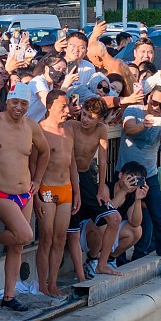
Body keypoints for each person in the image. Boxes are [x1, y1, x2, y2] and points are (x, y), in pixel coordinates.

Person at [0, 82, 50, 311]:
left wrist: (37, 180)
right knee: (24, 234)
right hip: (1, 192)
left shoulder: (31, 126)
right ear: (7, 101)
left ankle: (9, 296)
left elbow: (45, 151)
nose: (19, 107)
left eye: (23, 104)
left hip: (25, 194)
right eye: (15, 102)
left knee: (18, 245)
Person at [119, 86, 161, 277]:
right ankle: (115, 259)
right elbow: (128, 129)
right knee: (117, 215)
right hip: (124, 172)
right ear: (148, 99)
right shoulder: (133, 111)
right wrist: (145, 124)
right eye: (154, 103)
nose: (156, 108)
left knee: (159, 217)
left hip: (149, 174)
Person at [68, 96, 122, 278]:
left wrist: (101, 188)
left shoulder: (102, 130)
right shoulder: (72, 126)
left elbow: (104, 159)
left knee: (114, 219)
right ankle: (79, 274)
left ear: (99, 119)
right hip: (66, 177)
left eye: (90, 117)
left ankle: (102, 263)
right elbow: (69, 159)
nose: (85, 119)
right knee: (71, 232)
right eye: (83, 114)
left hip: (86, 177)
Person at [36, 90, 80, 293]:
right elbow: (32, 165)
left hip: (66, 190)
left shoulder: (68, 130)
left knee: (60, 238)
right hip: (47, 189)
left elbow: (72, 164)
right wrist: (35, 197)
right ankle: (42, 283)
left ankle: (52, 283)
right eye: (62, 106)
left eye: (67, 105)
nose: (66, 110)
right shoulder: (41, 131)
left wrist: (77, 191)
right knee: (46, 237)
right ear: (49, 107)